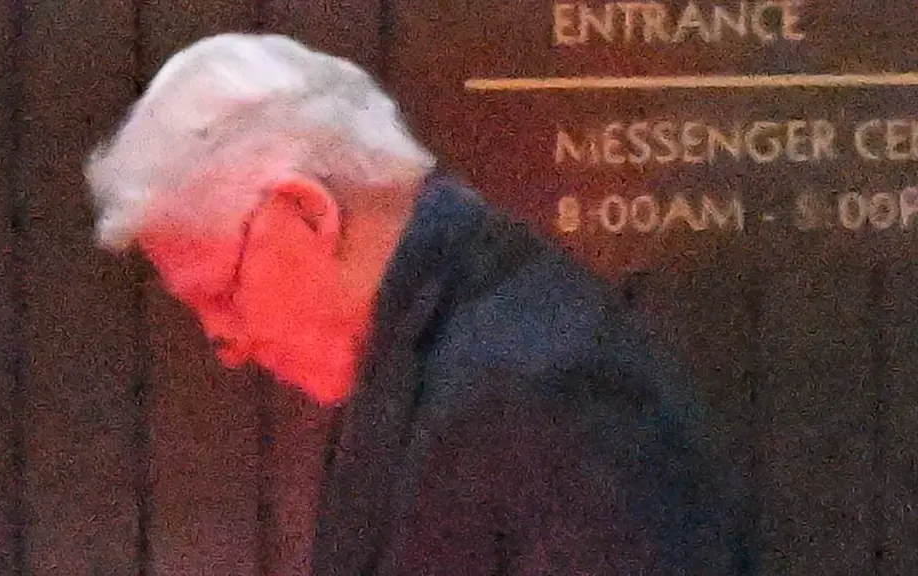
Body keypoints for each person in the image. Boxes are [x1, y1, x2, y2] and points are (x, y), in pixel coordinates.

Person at [84, 33, 757, 575]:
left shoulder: (540, 386)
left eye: (220, 292)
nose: (223, 342)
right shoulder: (430, 338)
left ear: (307, 213)